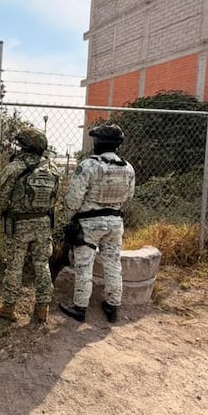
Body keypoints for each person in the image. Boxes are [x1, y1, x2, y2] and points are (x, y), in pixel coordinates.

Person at [59, 124, 135, 324]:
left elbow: (74, 198)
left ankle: (80, 308)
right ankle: (112, 306)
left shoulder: (89, 165)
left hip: (89, 223)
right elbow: (129, 196)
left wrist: (69, 218)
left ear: (99, 142)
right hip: (115, 222)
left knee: (84, 265)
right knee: (113, 264)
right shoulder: (127, 168)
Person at [0, 127, 60, 324]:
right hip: (43, 224)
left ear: (23, 145)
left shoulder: (15, 167)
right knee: (42, 264)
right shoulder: (53, 169)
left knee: (14, 266)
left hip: (18, 225)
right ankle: (42, 309)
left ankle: (8, 307)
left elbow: (2, 201)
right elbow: (54, 199)